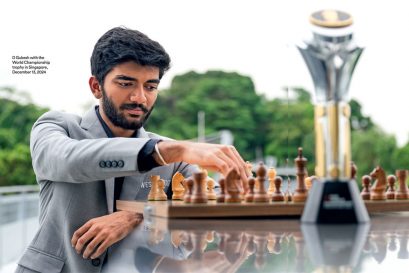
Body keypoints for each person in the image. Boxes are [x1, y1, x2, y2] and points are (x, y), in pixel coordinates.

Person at [16, 27, 248, 273]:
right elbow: (67, 161)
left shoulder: (176, 161)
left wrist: (136, 216)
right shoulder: (57, 127)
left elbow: (213, 202)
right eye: (126, 83)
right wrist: (165, 152)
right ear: (96, 86)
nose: (140, 98)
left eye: (150, 86)